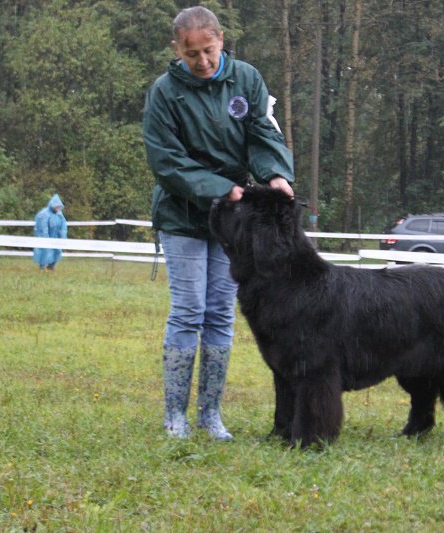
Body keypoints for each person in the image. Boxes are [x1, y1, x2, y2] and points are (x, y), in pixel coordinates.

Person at [143, 6, 295, 440]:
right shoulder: (165, 92)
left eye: (208, 51)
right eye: (192, 54)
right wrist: (222, 189)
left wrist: (275, 174)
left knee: (219, 314)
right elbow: (166, 161)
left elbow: (263, 135)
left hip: (233, 221)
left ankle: (211, 415)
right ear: (178, 49)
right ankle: (176, 415)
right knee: (188, 311)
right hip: (183, 215)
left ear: (221, 40)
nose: (203, 61)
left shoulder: (246, 79)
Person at [33, 194, 68, 271]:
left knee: (57, 251)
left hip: (55, 236)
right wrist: (46, 238)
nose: (57, 208)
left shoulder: (59, 215)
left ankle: (51, 266)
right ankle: (42, 266)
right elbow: (42, 228)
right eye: (56, 206)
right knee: (45, 251)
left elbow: (63, 227)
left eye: (59, 206)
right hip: (46, 236)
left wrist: (63, 238)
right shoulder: (44, 214)